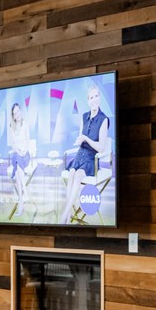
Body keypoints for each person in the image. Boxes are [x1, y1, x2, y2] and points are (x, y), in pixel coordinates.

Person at [60, 83, 110, 224]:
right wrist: (79, 141)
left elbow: (100, 148)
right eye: (91, 97)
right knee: (71, 173)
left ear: (99, 98)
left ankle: (64, 216)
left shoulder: (104, 119)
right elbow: (81, 139)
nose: (94, 100)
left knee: (78, 175)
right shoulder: (84, 117)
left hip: (91, 158)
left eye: (96, 96)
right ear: (88, 101)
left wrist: (86, 139)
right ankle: (68, 216)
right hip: (80, 154)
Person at [8, 102, 32, 217]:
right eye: (14, 113)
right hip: (17, 154)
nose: (17, 114)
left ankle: (21, 202)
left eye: (18, 111)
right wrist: (18, 152)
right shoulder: (11, 126)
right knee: (17, 161)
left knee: (17, 168)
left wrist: (24, 151)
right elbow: (13, 145)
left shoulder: (25, 124)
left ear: (20, 111)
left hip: (26, 155)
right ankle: (24, 193)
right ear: (13, 115)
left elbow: (28, 140)